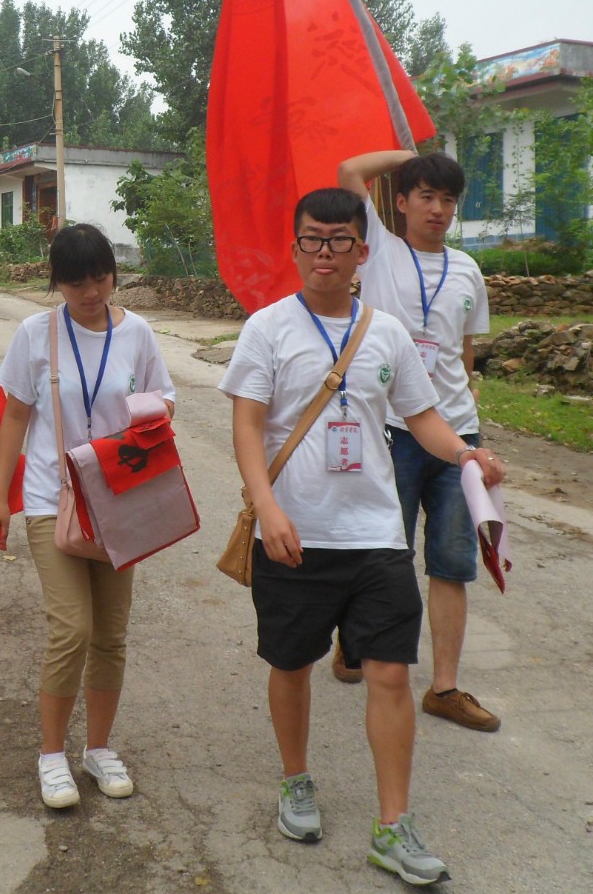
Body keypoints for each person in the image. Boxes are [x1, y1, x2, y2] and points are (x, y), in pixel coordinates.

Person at [218, 187, 505, 885]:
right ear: (295, 249)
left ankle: (392, 826)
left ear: (360, 252)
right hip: (294, 533)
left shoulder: (386, 334)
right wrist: (267, 506)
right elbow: (248, 428)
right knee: (291, 665)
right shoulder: (267, 329)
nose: (325, 253)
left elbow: (423, 417)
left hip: (376, 534)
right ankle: (296, 780)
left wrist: (463, 454)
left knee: (387, 672)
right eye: (312, 240)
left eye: (338, 241)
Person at [0, 224, 176, 810]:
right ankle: (51, 754)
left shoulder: (137, 333)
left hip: (119, 500)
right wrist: (0, 498)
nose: (91, 291)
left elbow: (164, 399)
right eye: (75, 282)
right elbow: (15, 417)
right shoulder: (34, 334)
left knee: (112, 635)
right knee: (72, 628)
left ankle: (97, 748)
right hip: (53, 500)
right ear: (57, 282)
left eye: (100, 277)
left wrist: (147, 412)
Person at [336, 150, 497, 732]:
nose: (438, 209)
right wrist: (414, 154)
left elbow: (465, 351)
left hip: (456, 434)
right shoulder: (376, 248)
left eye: (448, 199)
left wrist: (466, 407)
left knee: (452, 561)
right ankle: (359, 642)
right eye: (425, 196)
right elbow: (350, 172)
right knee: (385, 552)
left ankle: (445, 687)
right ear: (400, 202)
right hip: (392, 430)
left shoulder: (467, 270)